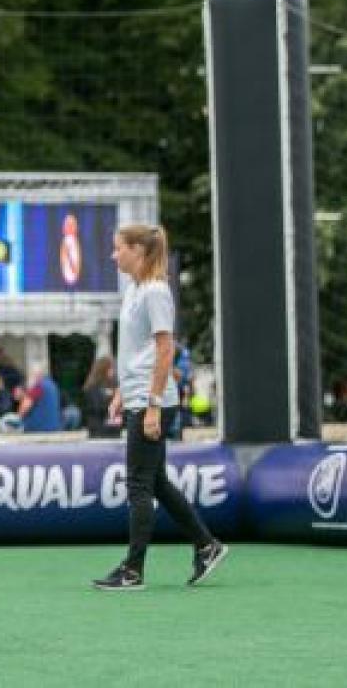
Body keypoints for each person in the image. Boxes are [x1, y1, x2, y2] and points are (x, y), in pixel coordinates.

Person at [93, 223, 228, 591]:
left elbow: (165, 349)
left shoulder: (155, 292)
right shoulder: (135, 289)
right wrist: (122, 390)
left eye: (118, 248)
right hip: (139, 395)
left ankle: (133, 570)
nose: (114, 255)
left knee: (139, 484)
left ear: (138, 250)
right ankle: (206, 545)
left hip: (151, 400)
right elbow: (136, 350)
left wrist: (152, 405)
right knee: (156, 482)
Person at [16, 363, 63, 433]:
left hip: (39, 427)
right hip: (54, 427)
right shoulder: (52, 385)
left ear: (34, 375)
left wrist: (17, 418)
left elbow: (25, 407)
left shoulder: (38, 386)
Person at [82, 355, 120, 439]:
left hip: (113, 428)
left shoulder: (113, 385)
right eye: (111, 369)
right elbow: (96, 407)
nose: (113, 372)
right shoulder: (92, 387)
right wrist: (112, 403)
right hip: (98, 428)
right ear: (103, 369)